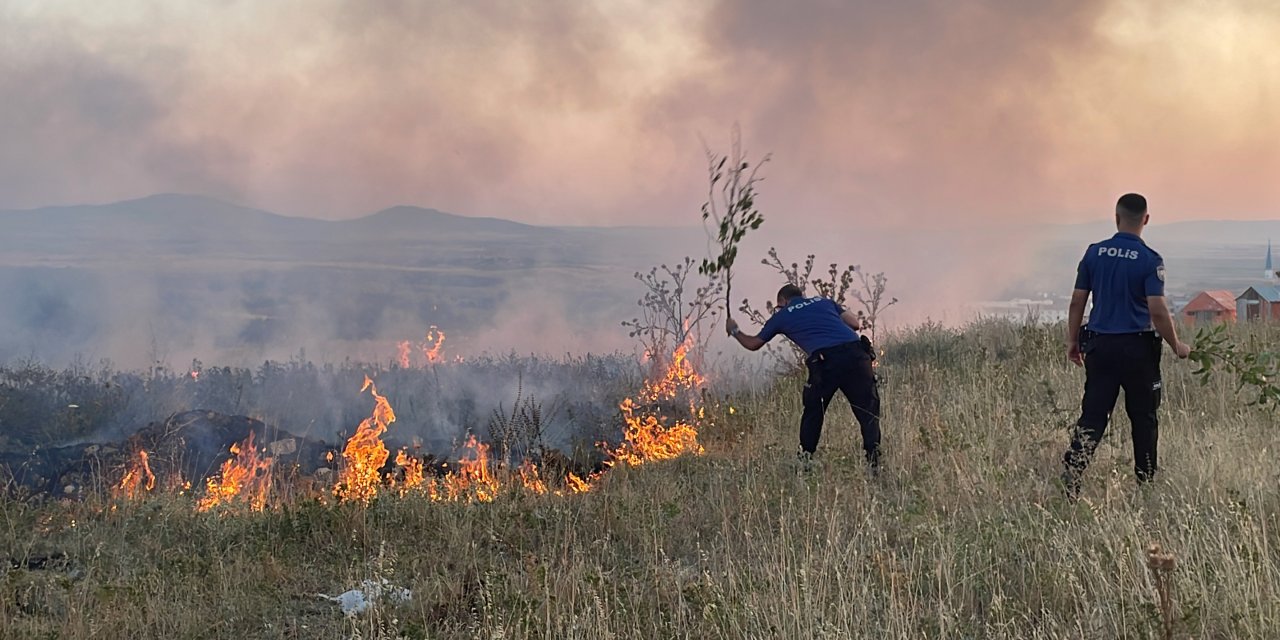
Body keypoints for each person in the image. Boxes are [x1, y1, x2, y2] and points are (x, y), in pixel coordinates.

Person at [1062, 193, 1191, 498]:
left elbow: (1077, 301)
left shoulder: (1094, 253)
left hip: (1100, 347)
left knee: (1093, 415)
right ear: (1145, 219)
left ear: (1116, 217)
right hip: (1138, 349)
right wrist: (1176, 345)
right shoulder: (1150, 259)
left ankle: (1073, 474)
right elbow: (1157, 310)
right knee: (1144, 418)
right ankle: (1145, 484)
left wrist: (1072, 342)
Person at [725, 284, 880, 469]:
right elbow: (855, 324)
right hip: (858, 355)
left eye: (779, 306)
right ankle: (875, 463)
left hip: (826, 361)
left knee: (814, 411)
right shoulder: (824, 301)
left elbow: (753, 344)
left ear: (783, 301)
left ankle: (805, 461)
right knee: (867, 411)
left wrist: (734, 330)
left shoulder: (781, 315)